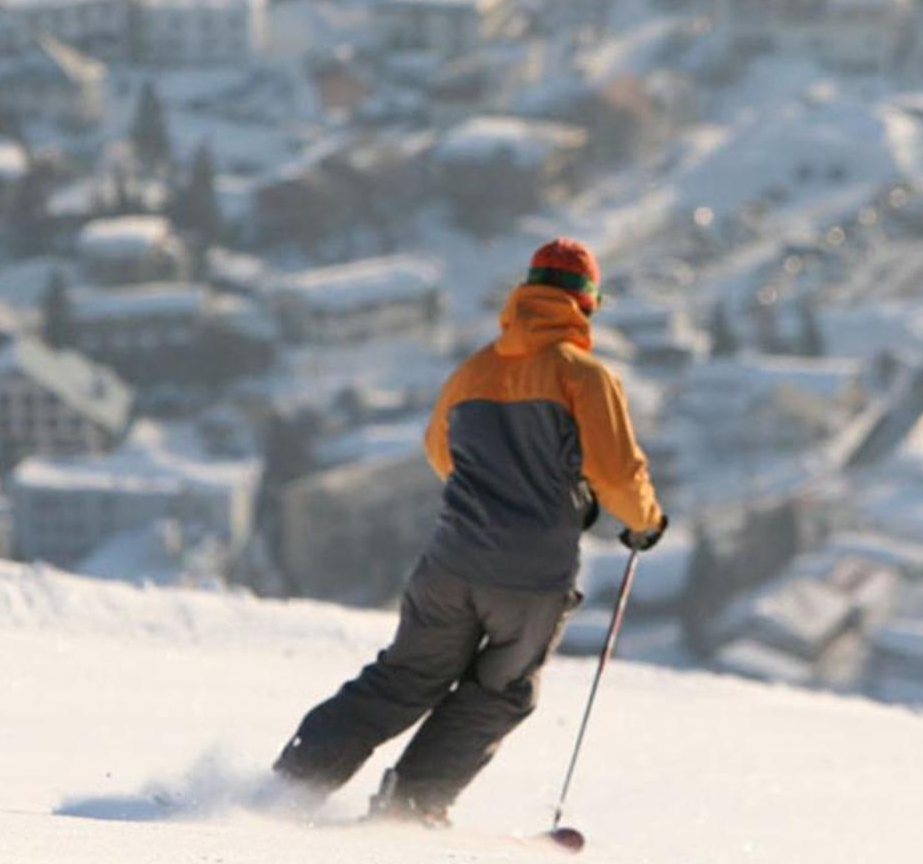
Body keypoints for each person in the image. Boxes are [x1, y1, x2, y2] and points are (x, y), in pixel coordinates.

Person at [273, 238, 667, 823]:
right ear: (585, 304)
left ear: (524, 295)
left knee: (403, 678)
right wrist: (645, 522)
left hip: (450, 562)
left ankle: (290, 787)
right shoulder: (584, 376)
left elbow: (441, 454)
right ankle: (408, 808)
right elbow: (615, 472)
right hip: (529, 575)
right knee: (499, 691)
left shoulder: (473, 371)